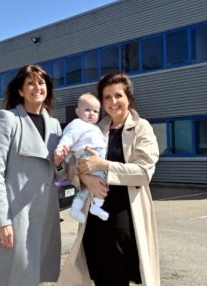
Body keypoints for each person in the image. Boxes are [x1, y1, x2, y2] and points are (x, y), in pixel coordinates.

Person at [58, 71, 161, 286]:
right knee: (99, 277)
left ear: (128, 98)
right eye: (107, 97)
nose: (113, 102)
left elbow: (143, 173)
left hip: (124, 220)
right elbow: (73, 167)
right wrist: (87, 180)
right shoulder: (95, 129)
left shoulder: (142, 128)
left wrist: (103, 165)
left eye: (118, 96)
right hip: (95, 220)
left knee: (119, 276)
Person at [0, 64, 66, 286]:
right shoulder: (8, 119)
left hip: (45, 215)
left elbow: (58, 173)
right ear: (21, 91)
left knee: (35, 275)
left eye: (41, 83)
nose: (37, 87)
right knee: (9, 276)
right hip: (15, 214)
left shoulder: (54, 125)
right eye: (31, 83)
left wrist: (62, 164)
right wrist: (1, 221)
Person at [55, 93, 109, 223]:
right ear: (78, 111)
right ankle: (96, 206)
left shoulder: (95, 127)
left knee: (87, 188)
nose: (91, 114)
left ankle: (75, 209)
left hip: (95, 159)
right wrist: (61, 148)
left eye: (95, 111)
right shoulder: (77, 124)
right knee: (103, 183)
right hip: (87, 158)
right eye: (87, 110)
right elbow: (68, 137)